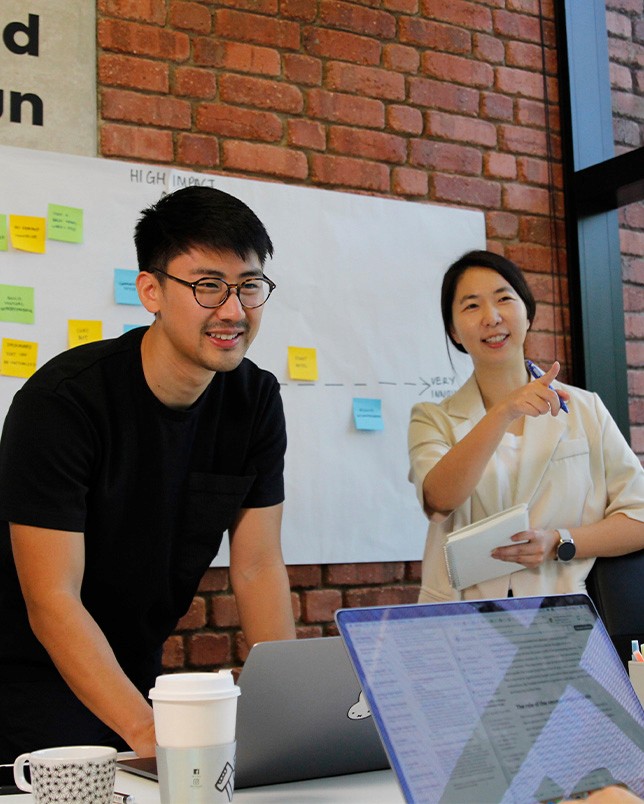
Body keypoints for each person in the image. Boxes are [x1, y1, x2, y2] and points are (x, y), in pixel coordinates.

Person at [0, 186, 296, 765]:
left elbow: (259, 565)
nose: (233, 310)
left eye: (249, 285)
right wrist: (148, 731)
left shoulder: (255, 400)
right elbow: (52, 600)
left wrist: (289, 717)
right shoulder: (64, 403)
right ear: (151, 291)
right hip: (23, 681)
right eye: (208, 285)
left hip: (135, 675)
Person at [408, 250, 644, 603]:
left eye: (504, 299)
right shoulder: (432, 418)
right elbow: (440, 501)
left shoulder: (584, 409)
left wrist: (560, 542)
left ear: (528, 313)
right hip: (459, 619)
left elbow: (639, 516)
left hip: (560, 617)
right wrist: (503, 411)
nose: (492, 317)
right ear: (454, 331)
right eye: (472, 306)